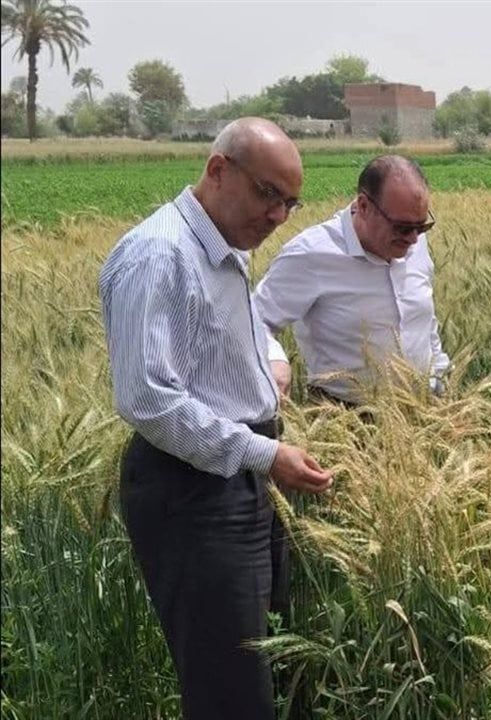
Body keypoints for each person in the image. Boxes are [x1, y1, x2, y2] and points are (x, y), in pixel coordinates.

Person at [99, 117, 334, 720]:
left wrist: (270, 363)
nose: (278, 215)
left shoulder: (223, 248)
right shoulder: (160, 254)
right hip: (194, 491)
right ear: (218, 170)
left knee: (267, 660)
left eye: (290, 203)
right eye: (268, 194)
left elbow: (235, 331)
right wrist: (265, 454)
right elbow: (149, 399)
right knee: (230, 689)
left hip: (240, 476)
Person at [254, 155, 449, 406]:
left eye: (421, 227)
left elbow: (424, 321)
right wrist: (275, 360)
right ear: (364, 206)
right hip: (344, 416)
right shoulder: (310, 254)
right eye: (402, 228)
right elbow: (255, 319)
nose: (413, 239)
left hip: (424, 408)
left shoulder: (413, 240)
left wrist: (440, 378)